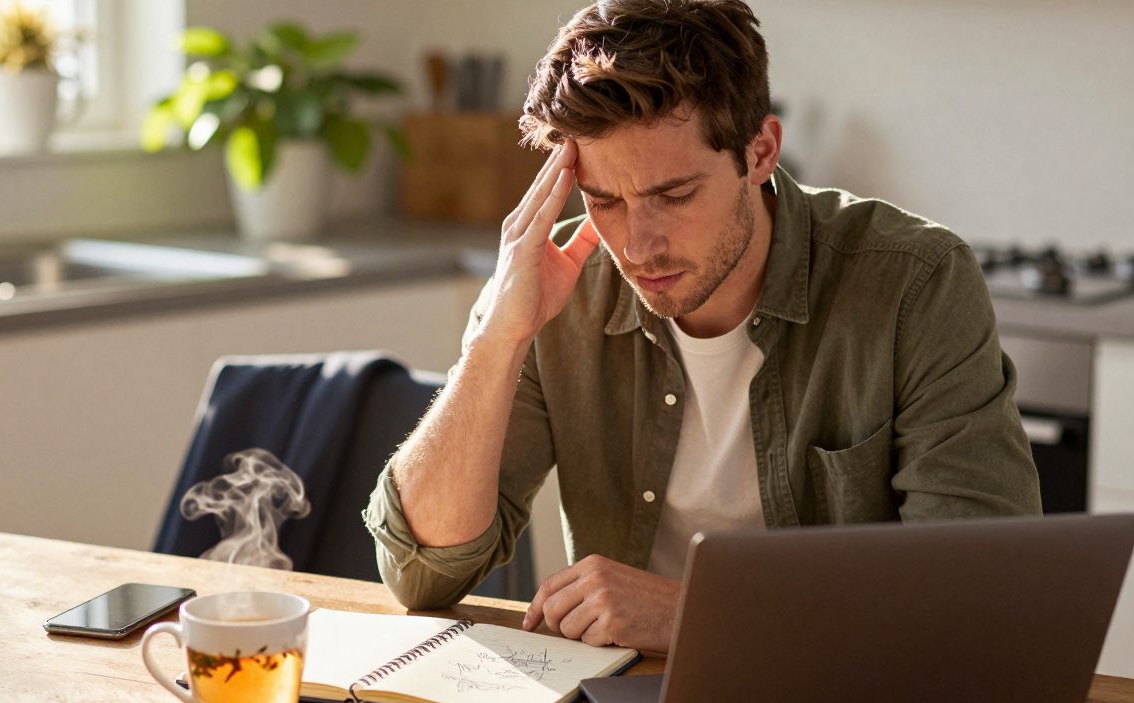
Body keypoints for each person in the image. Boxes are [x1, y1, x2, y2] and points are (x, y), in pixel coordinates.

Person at [363, 0, 1041, 653]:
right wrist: (494, 341)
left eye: (673, 195)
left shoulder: (915, 283)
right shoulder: (558, 287)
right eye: (603, 199)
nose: (638, 245)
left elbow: (979, 600)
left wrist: (694, 611)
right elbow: (422, 572)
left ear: (761, 152)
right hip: (627, 702)